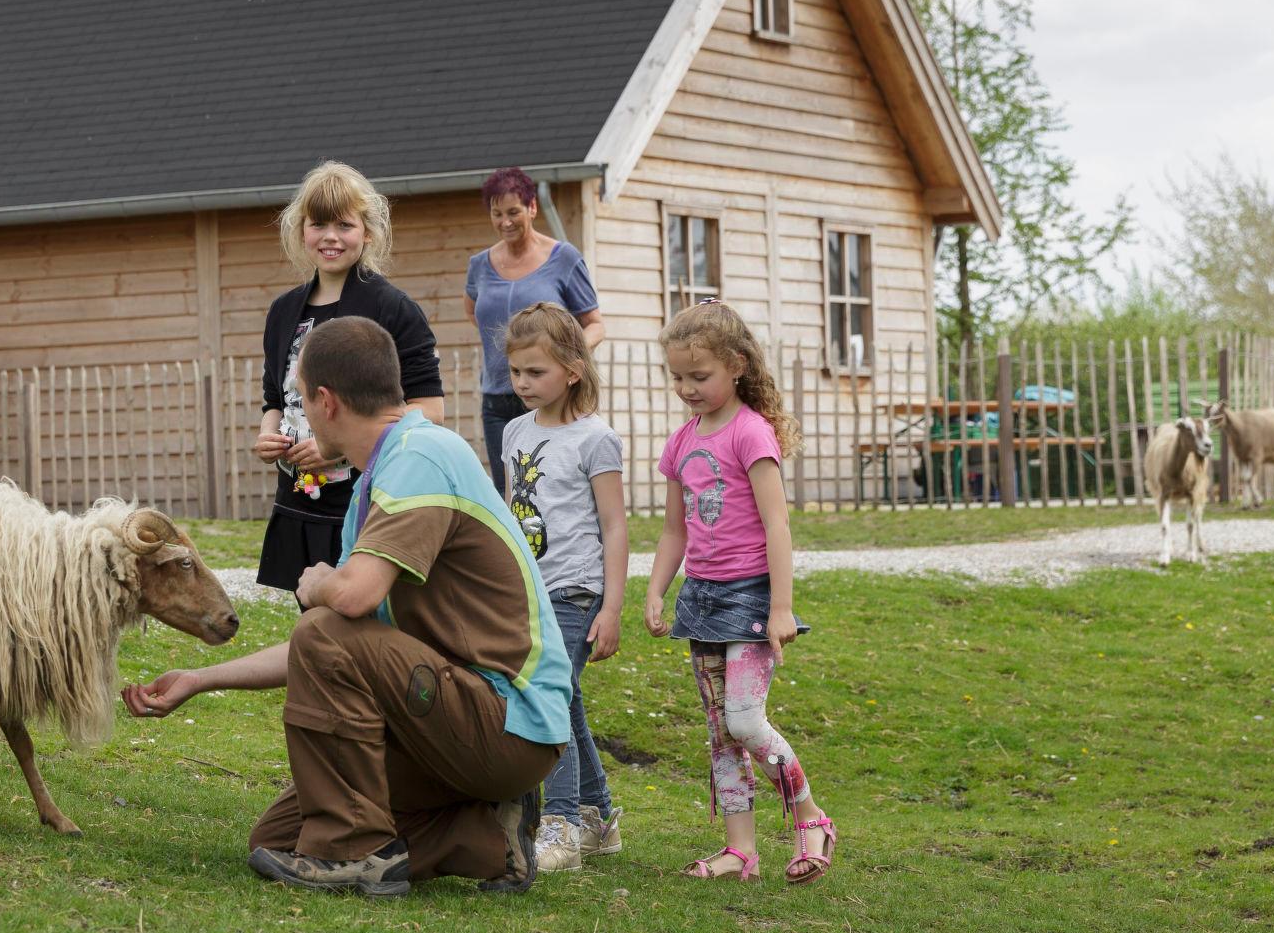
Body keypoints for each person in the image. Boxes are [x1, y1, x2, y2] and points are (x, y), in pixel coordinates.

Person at [123, 316, 573, 898]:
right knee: (279, 837)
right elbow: (338, 645)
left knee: (324, 627)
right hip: (450, 716)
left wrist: (317, 582)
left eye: (300, 402)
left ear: (325, 401)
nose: (298, 417)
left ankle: (357, 854)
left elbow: (346, 608)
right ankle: (489, 835)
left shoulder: (423, 455)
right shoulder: (376, 478)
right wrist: (201, 679)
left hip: (508, 720)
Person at [644, 301, 832, 885]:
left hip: (751, 599)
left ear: (738, 367)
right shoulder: (680, 444)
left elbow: (778, 525)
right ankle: (740, 851)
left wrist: (781, 609)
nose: (687, 389)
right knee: (721, 733)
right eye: (678, 377)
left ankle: (810, 818)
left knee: (746, 721)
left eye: (699, 377)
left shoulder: (752, 433)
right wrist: (656, 591)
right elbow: (675, 529)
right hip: (701, 600)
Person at [255, 162, 445, 594]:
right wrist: (268, 435)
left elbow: (430, 412)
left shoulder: (395, 310)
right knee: (315, 622)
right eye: (318, 223)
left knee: (358, 618)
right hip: (299, 500)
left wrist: (338, 450)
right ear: (300, 230)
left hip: (367, 502)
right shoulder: (283, 312)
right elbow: (274, 399)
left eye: (345, 224)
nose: (331, 237)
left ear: (368, 231)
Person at [497, 303, 628, 874]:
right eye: (517, 372)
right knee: (565, 701)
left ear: (573, 369)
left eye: (536, 372)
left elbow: (615, 526)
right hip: (529, 589)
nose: (523, 383)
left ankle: (562, 826)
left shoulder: (595, 438)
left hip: (575, 591)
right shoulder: (513, 432)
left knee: (549, 700)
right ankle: (598, 818)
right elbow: (509, 511)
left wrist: (613, 608)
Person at [465, 167, 604, 494]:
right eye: (496, 214)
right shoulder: (479, 265)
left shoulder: (564, 258)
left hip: (553, 397)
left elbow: (595, 324)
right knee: (510, 495)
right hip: (497, 399)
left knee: (555, 489)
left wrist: (562, 357)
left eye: (513, 212)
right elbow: (475, 314)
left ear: (532, 208)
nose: (505, 222)